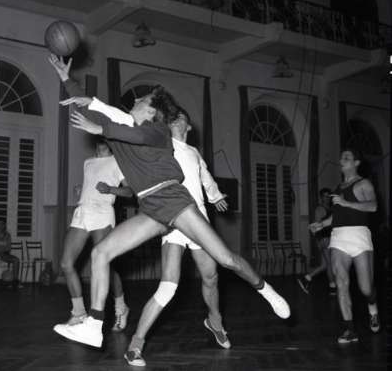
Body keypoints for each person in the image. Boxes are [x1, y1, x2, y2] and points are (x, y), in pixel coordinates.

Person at [48, 54, 290, 349]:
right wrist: (66, 79)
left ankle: (266, 290)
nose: (136, 99)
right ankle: (93, 326)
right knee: (101, 253)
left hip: (172, 199)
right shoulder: (123, 123)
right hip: (150, 207)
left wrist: (101, 128)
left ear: (152, 111)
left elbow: (128, 131)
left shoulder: (158, 132)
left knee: (225, 259)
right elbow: (93, 106)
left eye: (142, 99)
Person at [125, 107, 231, 366]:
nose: (176, 119)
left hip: (198, 222)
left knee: (211, 277)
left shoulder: (194, 152)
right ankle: (135, 345)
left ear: (188, 127)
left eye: (181, 117)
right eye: (173, 117)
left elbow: (206, 179)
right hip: (173, 219)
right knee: (168, 286)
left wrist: (216, 196)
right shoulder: (161, 145)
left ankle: (214, 320)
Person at [58, 138, 133, 331]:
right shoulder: (88, 162)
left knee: (103, 265)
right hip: (83, 212)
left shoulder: (118, 161)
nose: (102, 140)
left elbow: (129, 192)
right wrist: (81, 191)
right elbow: (90, 187)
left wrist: (110, 189)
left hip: (102, 213)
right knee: (66, 264)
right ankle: (79, 313)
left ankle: (121, 307)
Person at [309, 148, 380, 344]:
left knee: (366, 288)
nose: (342, 160)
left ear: (356, 163)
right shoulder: (338, 187)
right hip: (339, 237)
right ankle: (350, 330)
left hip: (359, 236)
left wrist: (347, 203)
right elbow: (337, 215)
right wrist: (321, 224)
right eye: (341, 157)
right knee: (341, 282)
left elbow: (373, 206)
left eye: (346, 157)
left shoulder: (364, 183)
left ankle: (372, 306)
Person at [297, 188, 336, 295]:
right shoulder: (320, 209)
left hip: (330, 238)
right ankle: (332, 287)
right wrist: (318, 241)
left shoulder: (331, 208)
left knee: (325, 265)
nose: (327, 198)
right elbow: (316, 226)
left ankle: (307, 278)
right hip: (325, 239)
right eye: (324, 196)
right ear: (321, 197)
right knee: (330, 264)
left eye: (328, 196)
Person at [0, 219, 23, 289]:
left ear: (4, 225)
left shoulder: (7, 235)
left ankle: (15, 281)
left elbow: (8, 248)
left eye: (3, 224)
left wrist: (2, 254)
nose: (1, 226)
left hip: (3, 254)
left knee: (16, 260)